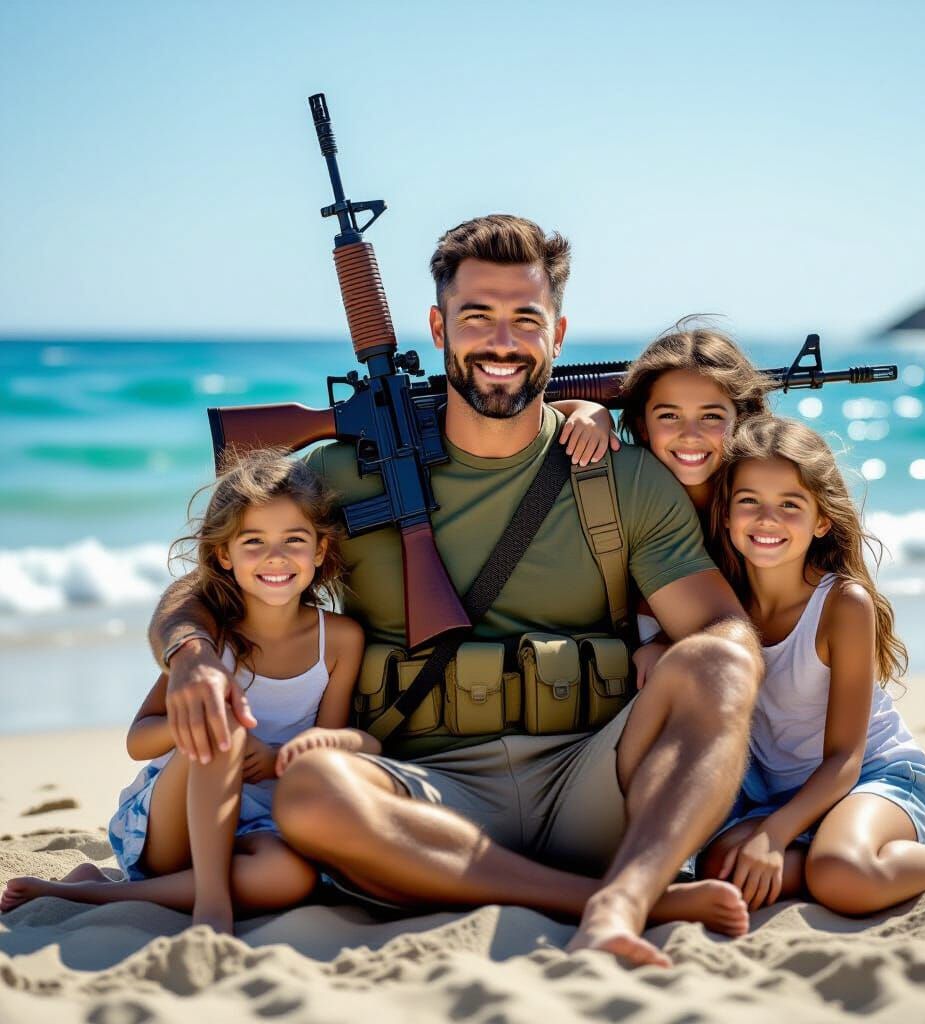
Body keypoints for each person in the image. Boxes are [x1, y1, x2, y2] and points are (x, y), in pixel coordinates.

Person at [147, 214, 764, 966]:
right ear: (439, 326)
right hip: (428, 797)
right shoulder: (343, 475)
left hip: (592, 781)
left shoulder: (624, 478)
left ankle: (623, 900)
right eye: (478, 317)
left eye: (524, 319)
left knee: (722, 664)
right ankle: (613, 899)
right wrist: (189, 655)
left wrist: (671, 649)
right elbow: (205, 583)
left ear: (558, 336)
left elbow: (727, 636)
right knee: (310, 788)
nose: (502, 341)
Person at [1, 451, 372, 934]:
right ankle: (211, 904)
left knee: (291, 879)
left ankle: (91, 889)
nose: (275, 557)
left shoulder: (339, 640)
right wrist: (210, 724)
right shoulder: (209, 639)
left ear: (320, 551)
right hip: (171, 828)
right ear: (224, 554)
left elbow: (330, 743)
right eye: (253, 541)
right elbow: (138, 740)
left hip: (261, 824)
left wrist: (281, 757)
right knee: (220, 729)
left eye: (294, 540)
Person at [696, 415, 925, 913]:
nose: (767, 520)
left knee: (840, 876)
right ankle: (869, 856)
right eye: (749, 502)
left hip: (875, 779)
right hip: (786, 798)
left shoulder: (843, 605)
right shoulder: (721, 603)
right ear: (725, 514)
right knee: (724, 871)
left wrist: (774, 834)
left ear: (821, 520)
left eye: (790, 505)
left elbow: (845, 759)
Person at [559, 323, 771, 684]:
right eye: (669, 416)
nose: (690, 435)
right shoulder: (633, 495)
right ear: (642, 426)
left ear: (742, 420)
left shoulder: (758, 507)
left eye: (711, 417)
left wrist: (664, 643)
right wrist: (586, 408)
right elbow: (520, 414)